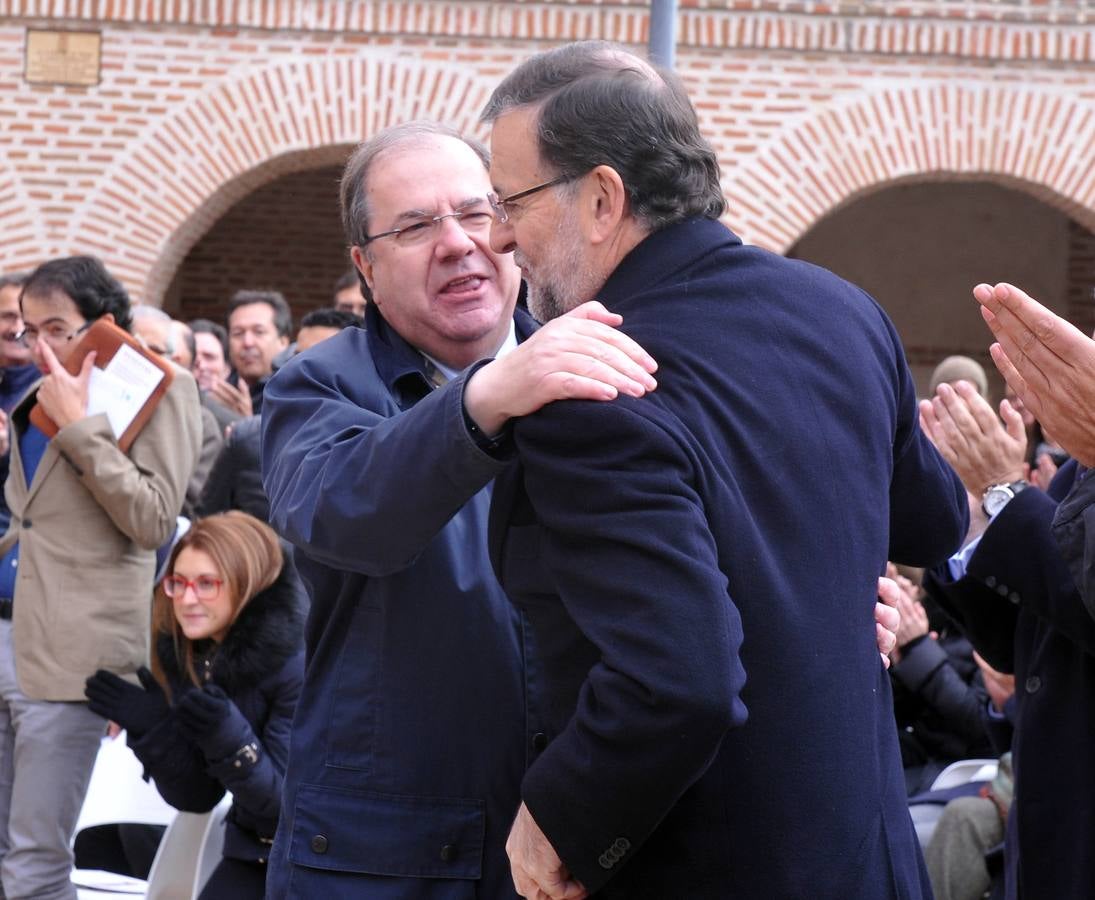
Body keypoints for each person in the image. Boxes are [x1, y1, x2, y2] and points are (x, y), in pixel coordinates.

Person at [479, 41, 968, 899]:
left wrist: (558, 816)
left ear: (601, 199)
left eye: (508, 202)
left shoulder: (593, 382)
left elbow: (681, 680)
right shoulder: (842, 310)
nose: (497, 235)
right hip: (866, 856)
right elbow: (930, 521)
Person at [0, 255, 201, 900]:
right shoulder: (31, 395)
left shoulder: (164, 388)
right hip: (9, 630)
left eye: (56, 327)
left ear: (103, 323)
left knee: (35, 857)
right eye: (30, 331)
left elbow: (151, 519)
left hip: (73, 650)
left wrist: (83, 428)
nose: (39, 345)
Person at [919, 369, 1095, 900]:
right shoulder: (1074, 474)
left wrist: (1007, 492)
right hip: (1047, 815)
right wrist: (972, 512)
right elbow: (1010, 640)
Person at [85, 511, 304, 898]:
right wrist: (156, 733)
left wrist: (227, 735)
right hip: (252, 846)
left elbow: (283, 808)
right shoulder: (195, 653)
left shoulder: (291, 663)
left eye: (206, 584)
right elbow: (197, 797)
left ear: (244, 584)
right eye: (179, 583)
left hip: (315, 857)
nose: (187, 599)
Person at [198, 309, 362, 523]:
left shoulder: (380, 444)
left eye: (321, 360)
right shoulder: (250, 439)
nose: (302, 371)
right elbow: (204, 525)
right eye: (297, 358)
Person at [208, 290, 291, 418]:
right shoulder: (217, 392)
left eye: (259, 332)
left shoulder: (296, 393)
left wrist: (246, 425)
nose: (247, 343)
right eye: (238, 333)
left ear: (283, 342)